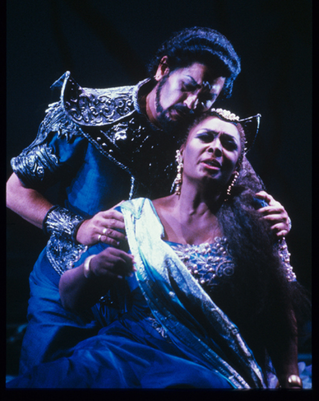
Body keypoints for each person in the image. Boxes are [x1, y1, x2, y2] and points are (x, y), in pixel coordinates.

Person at [6, 27, 292, 374]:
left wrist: (275, 215)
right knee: (49, 379)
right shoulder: (87, 113)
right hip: (65, 280)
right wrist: (79, 227)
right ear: (163, 68)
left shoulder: (201, 133)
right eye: (187, 85)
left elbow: (245, 192)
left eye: (206, 97)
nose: (192, 103)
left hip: (145, 299)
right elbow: (14, 190)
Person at [6, 109, 309, 389]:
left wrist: (290, 378)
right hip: (125, 353)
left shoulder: (255, 224)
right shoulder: (136, 216)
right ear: (182, 152)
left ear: (237, 166)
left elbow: (279, 309)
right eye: (205, 137)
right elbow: (70, 299)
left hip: (207, 366)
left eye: (228, 144)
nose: (215, 147)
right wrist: (93, 270)